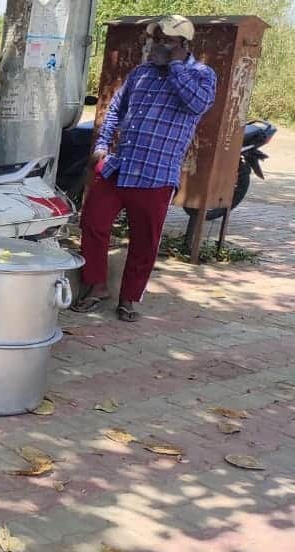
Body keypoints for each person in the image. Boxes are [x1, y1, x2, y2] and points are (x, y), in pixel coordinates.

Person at [71, 15, 216, 322]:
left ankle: (128, 298)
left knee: (145, 241)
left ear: (183, 45)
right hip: (118, 167)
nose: (156, 46)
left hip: (156, 175)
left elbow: (197, 105)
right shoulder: (141, 73)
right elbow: (115, 112)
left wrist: (175, 65)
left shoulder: (201, 75)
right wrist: (102, 147)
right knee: (93, 224)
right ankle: (97, 286)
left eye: (165, 41)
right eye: (155, 40)